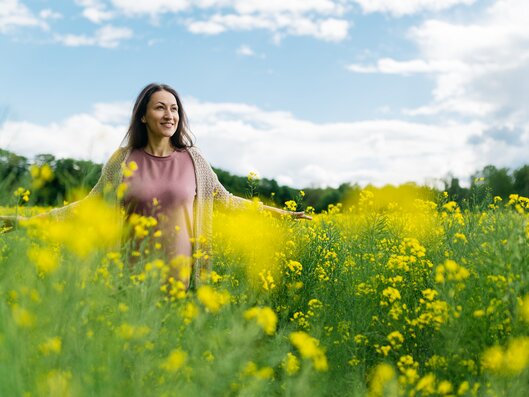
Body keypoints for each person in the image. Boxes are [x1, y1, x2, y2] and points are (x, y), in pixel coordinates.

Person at [1, 83, 311, 287]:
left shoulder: (194, 160)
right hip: (130, 287)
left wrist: (284, 216)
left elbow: (227, 202)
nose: (169, 114)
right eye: (160, 107)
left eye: (174, 108)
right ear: (144, 116)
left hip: (186, 287)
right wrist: (26, 222)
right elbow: (89, 206)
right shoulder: (122, 161)